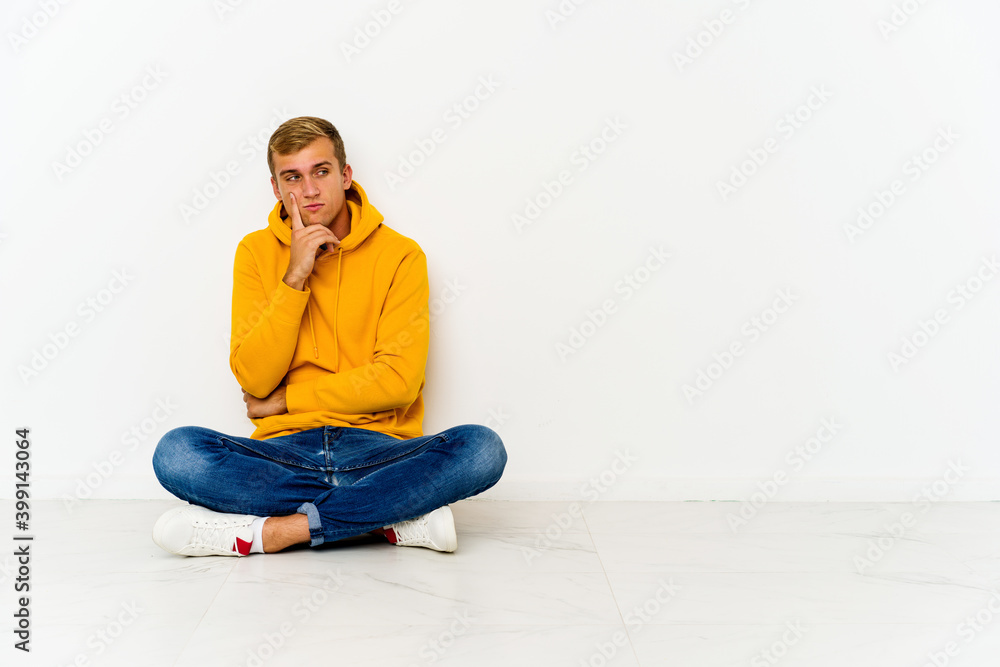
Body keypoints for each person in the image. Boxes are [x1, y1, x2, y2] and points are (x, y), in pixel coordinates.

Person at [150, 116, 507, 557]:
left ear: (345, 175)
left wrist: (288, 400)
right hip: (283, 455)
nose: (311, 189)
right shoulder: (256, 253)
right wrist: (295, 276)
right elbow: (255, 380)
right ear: (277, 189)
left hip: (378, 454)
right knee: (177, 453)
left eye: (321, 171)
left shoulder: (400, 255)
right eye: (293, 177)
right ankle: (389, 517)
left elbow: (398, 382)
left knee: (481, 449)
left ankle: (273, 533)